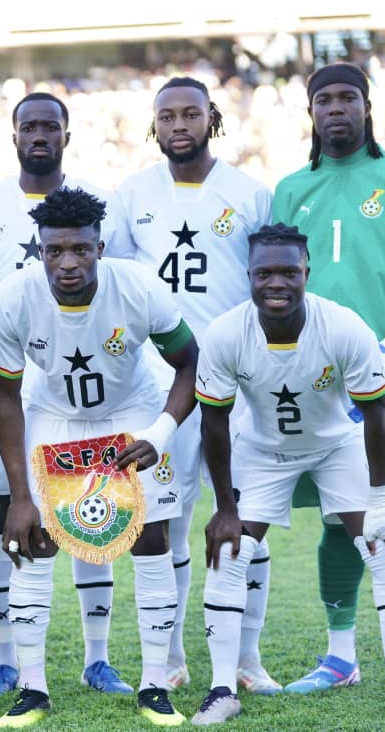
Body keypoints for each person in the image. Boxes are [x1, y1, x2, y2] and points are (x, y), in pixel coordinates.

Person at [192, 223, 385, 725]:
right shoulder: (225, 333)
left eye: (289, 272)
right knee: (229, 552)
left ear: (307, 272)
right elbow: (213, 422)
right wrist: (226, 508)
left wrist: (380, 498)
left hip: (336, 446)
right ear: (248, 275)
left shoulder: (343, 327)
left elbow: (378, 416)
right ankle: (221, 690)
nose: (276, 283)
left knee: (384, 546)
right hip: (263, 450)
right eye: (264, 273)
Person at [0, 187, 198, 727]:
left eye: (80, 249)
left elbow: (190, 363)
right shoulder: (11, 298)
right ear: (39, 250)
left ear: (100, 247)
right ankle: (32, 688)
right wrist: (19, 495)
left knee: (151, 539)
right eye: (54, 250)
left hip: (130, 413)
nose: (68, 262)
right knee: (35, 541)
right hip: (54, 416)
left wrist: (160, 432)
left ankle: (155, 685)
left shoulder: (138, 287)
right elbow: (5, 397)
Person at [275, 63, 385, 699]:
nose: (336, 109)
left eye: (347, 97)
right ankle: (340, 655)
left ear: (367, 107)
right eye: (323, 100)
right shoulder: (290, 190)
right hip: (316, 384)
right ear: (311, 113)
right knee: (336, 518)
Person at [0, 92, 135, 700]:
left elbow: (116, 285)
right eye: (28, 126)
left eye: (50, 126)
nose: (39, 135)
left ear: (67, 134)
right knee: (6, 516)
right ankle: (5, 662)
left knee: (94, 507)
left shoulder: (98, 203)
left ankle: (98, 659)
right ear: (12, 135)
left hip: (85, 389)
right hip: (16, 384)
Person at [115, 76, 277, 693]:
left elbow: (272, 280)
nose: (178, 125)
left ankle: (247, 659)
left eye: (190, 113)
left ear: (213, 118)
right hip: (161, 381)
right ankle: (173, 656)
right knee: (168, 519)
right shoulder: (132, 194)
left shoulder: (250, 193)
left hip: (238, 375)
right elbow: (121, 283)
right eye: (167, 116)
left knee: (248, 516)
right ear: (152, 125)